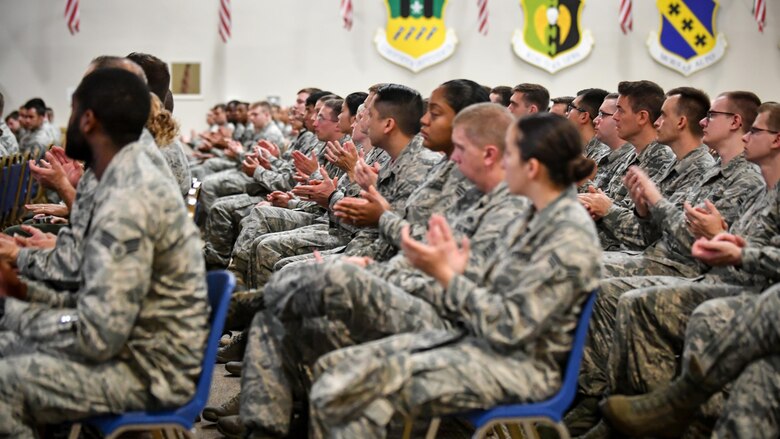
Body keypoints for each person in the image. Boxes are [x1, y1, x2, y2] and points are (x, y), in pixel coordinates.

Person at [304, 113, 601, 438]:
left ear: (532, 168)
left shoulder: (566, 233)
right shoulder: (533, 215)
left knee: (340, 390)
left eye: (510, 155)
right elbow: (486, 289)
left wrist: (447, 277)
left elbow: (510, 327)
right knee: (331, 368)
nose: (503, 163)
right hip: (479, 343)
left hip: (520, 367)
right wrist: (450, 272)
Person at [0, 67, 208, 437]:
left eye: (72, 110)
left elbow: (97, 335)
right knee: (9, 342)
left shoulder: (129, 194)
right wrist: (21, 292)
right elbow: (95, 291)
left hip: (148, 368)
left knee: (5, 376)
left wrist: (17, 311)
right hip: (132, 342)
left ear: (89, 119)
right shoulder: (122, 170)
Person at [567, 89, 610, 163]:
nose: (566, 114)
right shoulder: (578, 153)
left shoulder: (603, 157)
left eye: (571, 108)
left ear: (584, 117)